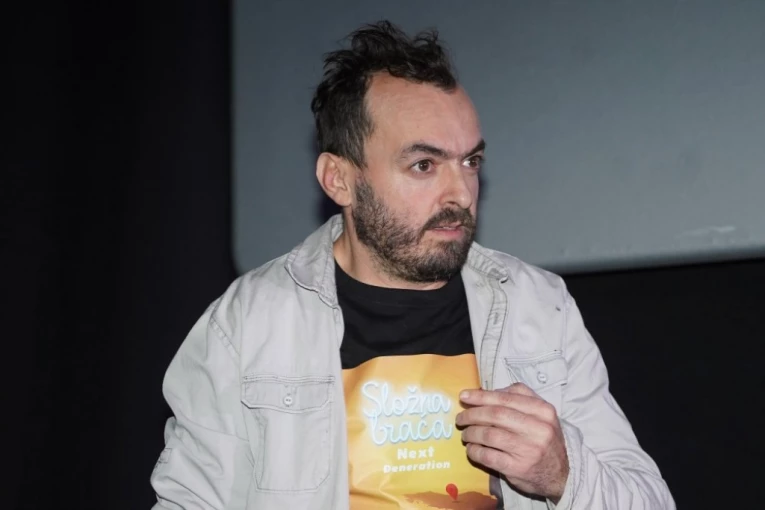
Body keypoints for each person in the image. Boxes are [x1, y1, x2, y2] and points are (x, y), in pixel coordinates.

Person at [150, 20, 675, 510]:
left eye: (470, 162)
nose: (460, 193)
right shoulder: (249, 325)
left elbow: (650, 499)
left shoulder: (537, 307)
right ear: (339, 180)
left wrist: (563, 472)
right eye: (424, 165)